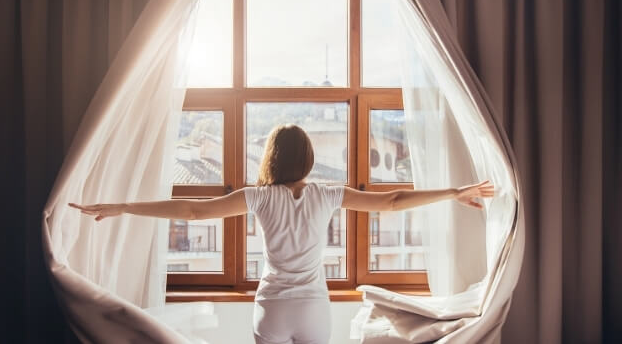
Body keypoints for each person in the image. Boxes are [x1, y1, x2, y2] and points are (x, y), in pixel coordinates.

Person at [70, 124, 494, 344]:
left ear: (272, 157)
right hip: (313, 307)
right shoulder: (327, 194)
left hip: (271, 306)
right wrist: (455, 192)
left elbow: (192, 210)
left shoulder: (259, 197)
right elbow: (392, 200)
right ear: (309, 158)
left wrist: (123, 206)